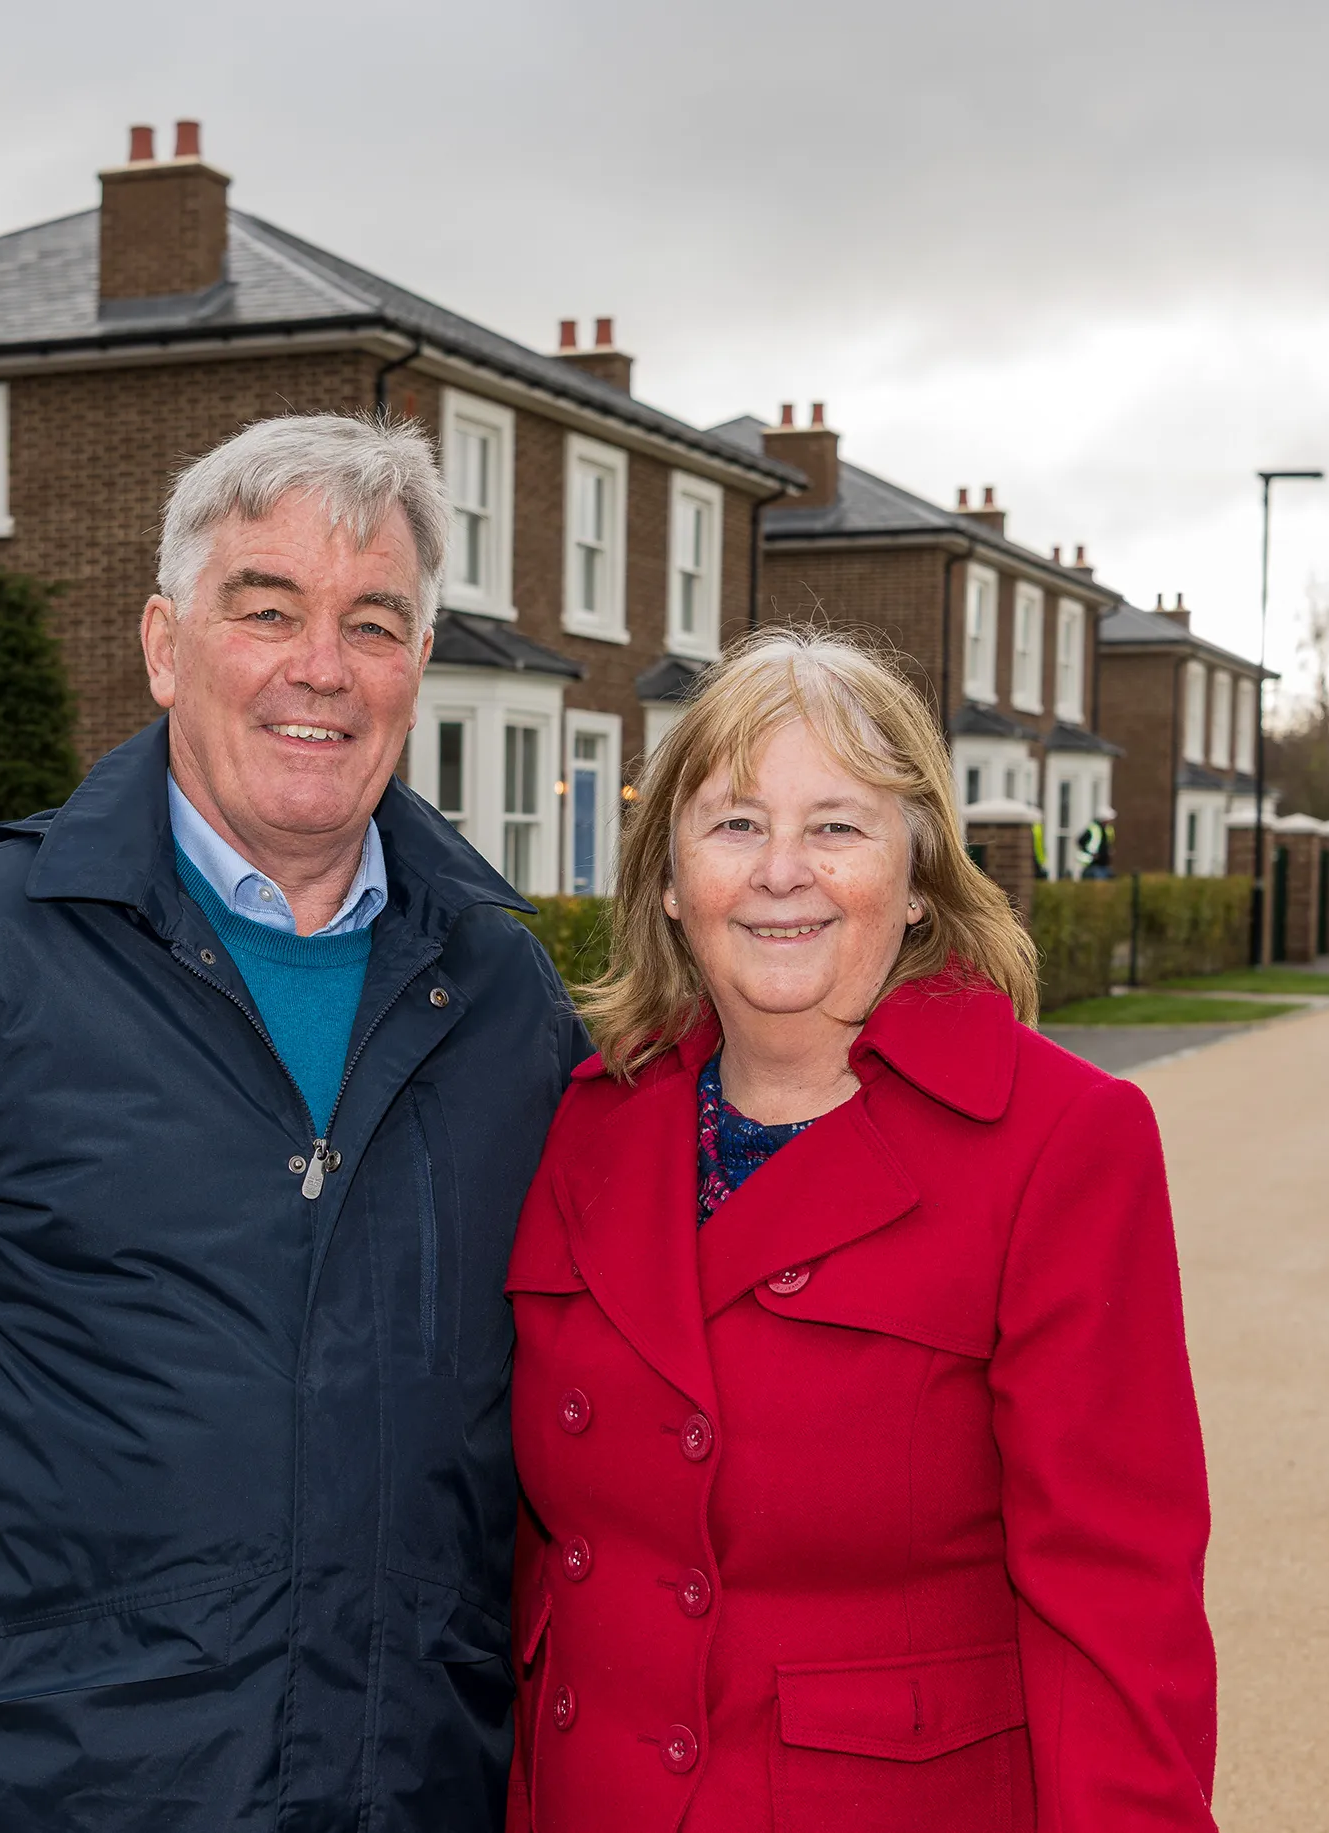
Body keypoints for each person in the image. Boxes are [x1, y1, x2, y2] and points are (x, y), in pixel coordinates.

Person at [0, 414, 591, 1830]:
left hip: (421, 1768)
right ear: (163, 645)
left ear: (415, 668)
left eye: (372, 623)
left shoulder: (503, 991)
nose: (321, 666)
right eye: (267, 609)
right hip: (92, 1779)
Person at [505, 632, 1216, 1831]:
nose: (782, 871)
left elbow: (1114, 1613)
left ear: (920, 876)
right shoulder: (586, 1127)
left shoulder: (1058, 1143)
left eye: (835, 825)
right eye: (733, 824)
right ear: (669, 882)